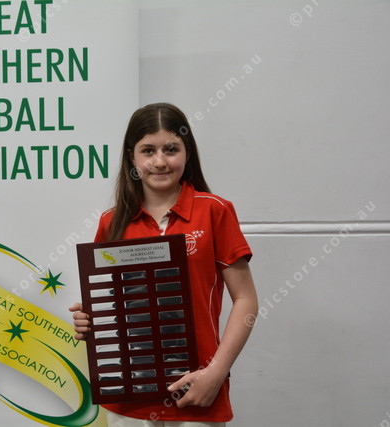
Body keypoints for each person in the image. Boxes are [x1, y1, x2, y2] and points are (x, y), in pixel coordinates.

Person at [69, 103, 258, 427]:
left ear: (188, 152)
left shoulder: (215, 211)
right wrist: (89, 320)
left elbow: (246, 299)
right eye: (148, 150)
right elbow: (110, 305)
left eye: (171, 149)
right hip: (129, 395)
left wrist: (215, 374)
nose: (159, 161)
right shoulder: (111, 222)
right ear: (131, 157)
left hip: (197, 390)